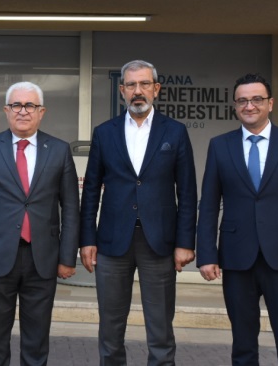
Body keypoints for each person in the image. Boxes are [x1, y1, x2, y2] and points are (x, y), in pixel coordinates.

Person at [196, 73, 278, 366]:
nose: (249, 106)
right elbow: (209, 204)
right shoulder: (220, 145)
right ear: (235, 106)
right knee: (242, 343)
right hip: (237, 258)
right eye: (242, 101)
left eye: (256, 99)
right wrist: (207, 255)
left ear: (270, 103)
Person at [79, 59, 198, 366]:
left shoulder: (175, 132)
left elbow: (187, 192)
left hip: (159, 243)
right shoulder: (104, 133)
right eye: (131, 85)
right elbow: (91, 190)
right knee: (110, 330)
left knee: (160, 331)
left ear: (156, 89)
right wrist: (87, 239)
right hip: (111, 242)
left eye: (144, 84)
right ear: (122, 90)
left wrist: (185, 242)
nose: (138, 91)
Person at [0, 81, 80, 366]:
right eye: (16, 105)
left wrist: (67, 257)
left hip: (42, 259)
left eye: (30, 105)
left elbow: (70, 208)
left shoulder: (59, 150)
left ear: (42, 112)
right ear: (6, 110)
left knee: (36, 342)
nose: (23, 111)